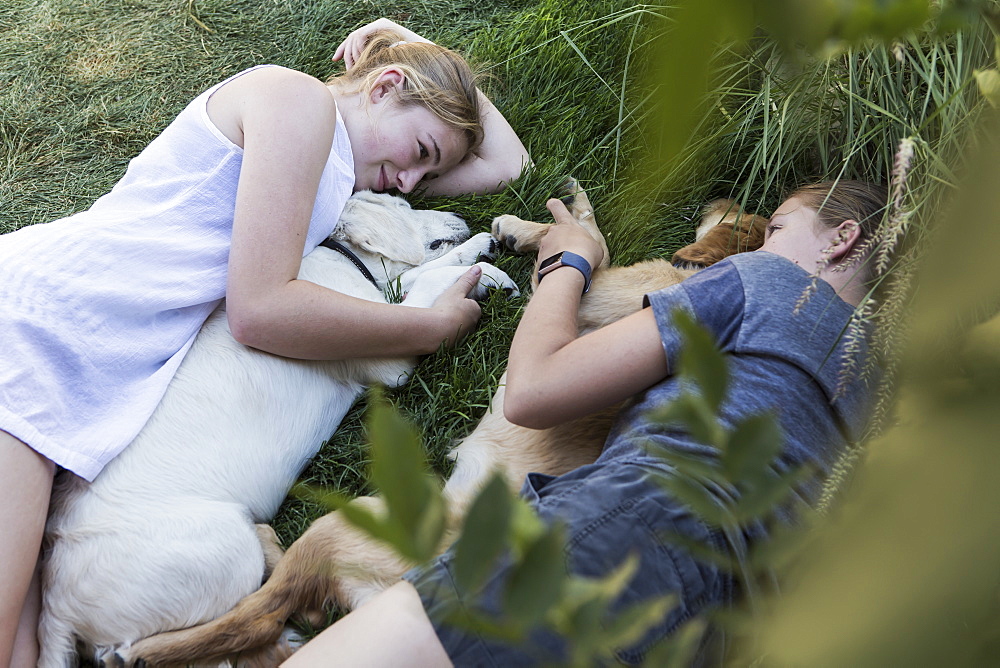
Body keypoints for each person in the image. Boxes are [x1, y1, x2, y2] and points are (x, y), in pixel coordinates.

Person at [0, 17, 530, 667]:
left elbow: (507, 164)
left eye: (428, 172)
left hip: (89, 375)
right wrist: (430, 326)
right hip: (41, 329)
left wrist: (404, 31)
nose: (410, 184)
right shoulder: (294, 101)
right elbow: (261, 309)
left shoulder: (337, 172)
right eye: (421, 151)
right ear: (386, 84)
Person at [283, 179, 887, 666]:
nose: (756, 248)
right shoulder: (879, 387)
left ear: (841, 238)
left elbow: (534, 391)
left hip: (636, 532)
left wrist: (565, 260)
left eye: (775, 230)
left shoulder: (772, 280)